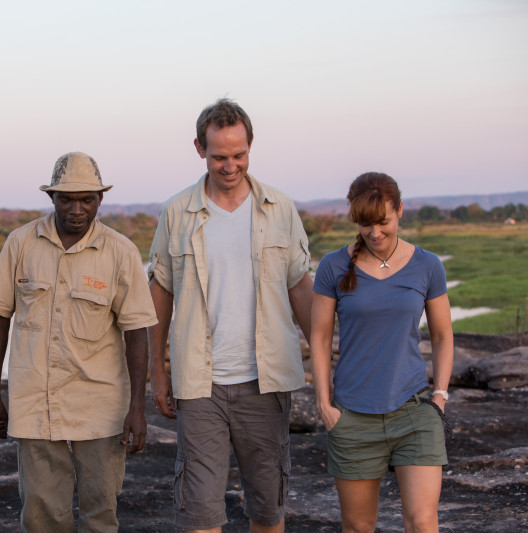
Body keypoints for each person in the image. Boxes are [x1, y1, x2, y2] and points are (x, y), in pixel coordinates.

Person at [147, 98, 313, 533]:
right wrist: (157, 373)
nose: (230, 165)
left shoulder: (280, 208)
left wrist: (330, 371)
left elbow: (300, 286)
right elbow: (160, 291)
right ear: (199, 149)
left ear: (251, 145)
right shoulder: (176, 212)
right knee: (199, 513)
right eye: (219, 156)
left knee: (267, 510)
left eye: (239, 155)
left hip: (267, 381)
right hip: (200, 385)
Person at [0, 152, 158, 533]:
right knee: (42, 517)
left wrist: (137, 406)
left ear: (100, 200)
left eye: (86, 199)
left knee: (100, 515)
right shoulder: (21, 243)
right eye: (66, 199)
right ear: (52, 198)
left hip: (101, 408)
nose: (77, 209)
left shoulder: (120, 251)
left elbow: (137, 331)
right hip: (35, 404)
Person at [310, 172, 454, 533]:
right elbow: (321, 337)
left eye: (383, 222)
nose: (374, 233)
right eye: (365, 224)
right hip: (353, 417)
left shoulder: (428, 265)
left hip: (415, 411)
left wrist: (440, 396)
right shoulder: (332, 266)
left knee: (422, 521)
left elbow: (442, 334)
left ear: (400, 210)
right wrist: (325, 405)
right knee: (359, 526)